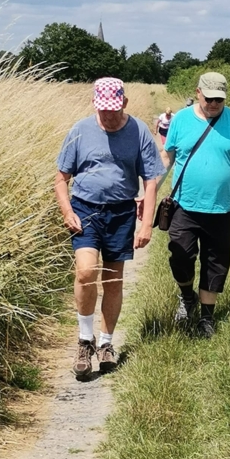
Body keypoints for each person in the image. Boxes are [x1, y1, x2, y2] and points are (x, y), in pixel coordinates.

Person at [55, 77, 164, 379]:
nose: (108, 115)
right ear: (95, 104)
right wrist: (67, 211)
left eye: (114, 109)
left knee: (113, 281)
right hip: (85, 210)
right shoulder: (80, 130)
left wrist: (146, 224)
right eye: (103, 109)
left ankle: (105, 344)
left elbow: (150, 181)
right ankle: (84, 341)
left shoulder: (138, 131)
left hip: (121, 213)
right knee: (86, 272)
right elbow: (61, 179)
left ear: (124, 103)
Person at [161, 71, 230, 337]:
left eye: (219, 100)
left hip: (221, 208)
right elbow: (167, 158)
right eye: (209, 98)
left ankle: (206, 317)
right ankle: (186, 296)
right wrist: (148, 191)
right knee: (180, 257)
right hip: (184, 205)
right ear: (198, 93)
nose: (214, 104)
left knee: (215, 263)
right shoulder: (181, 119)